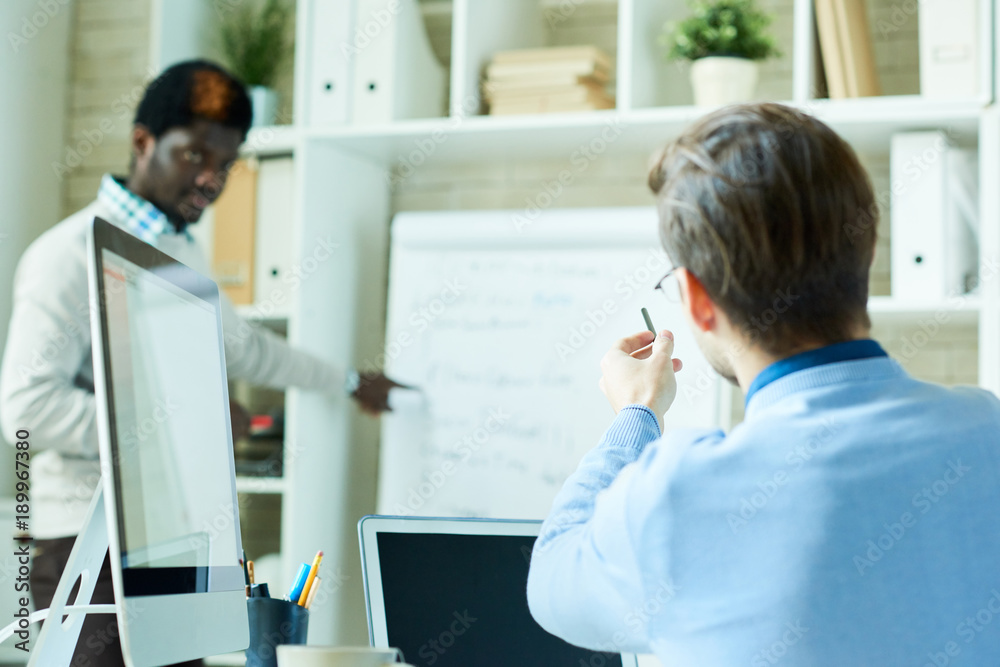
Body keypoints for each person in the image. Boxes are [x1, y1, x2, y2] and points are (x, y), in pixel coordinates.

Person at [526, 103, 1000, 664]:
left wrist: (636, 413)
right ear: (868, 252)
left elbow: (553, 582)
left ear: (699, 302)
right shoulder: (987, 429)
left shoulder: (674, 496)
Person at [0, 60, 405, 666]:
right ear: (144, 142)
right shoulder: (65, 255)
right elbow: (25, 410)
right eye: (195, 156)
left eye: (226, 164)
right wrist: (186, 425)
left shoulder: (179, 250)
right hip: (81, 550)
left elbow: (246, 349)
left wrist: (349, 382)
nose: (212, 179)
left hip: (170, 545)